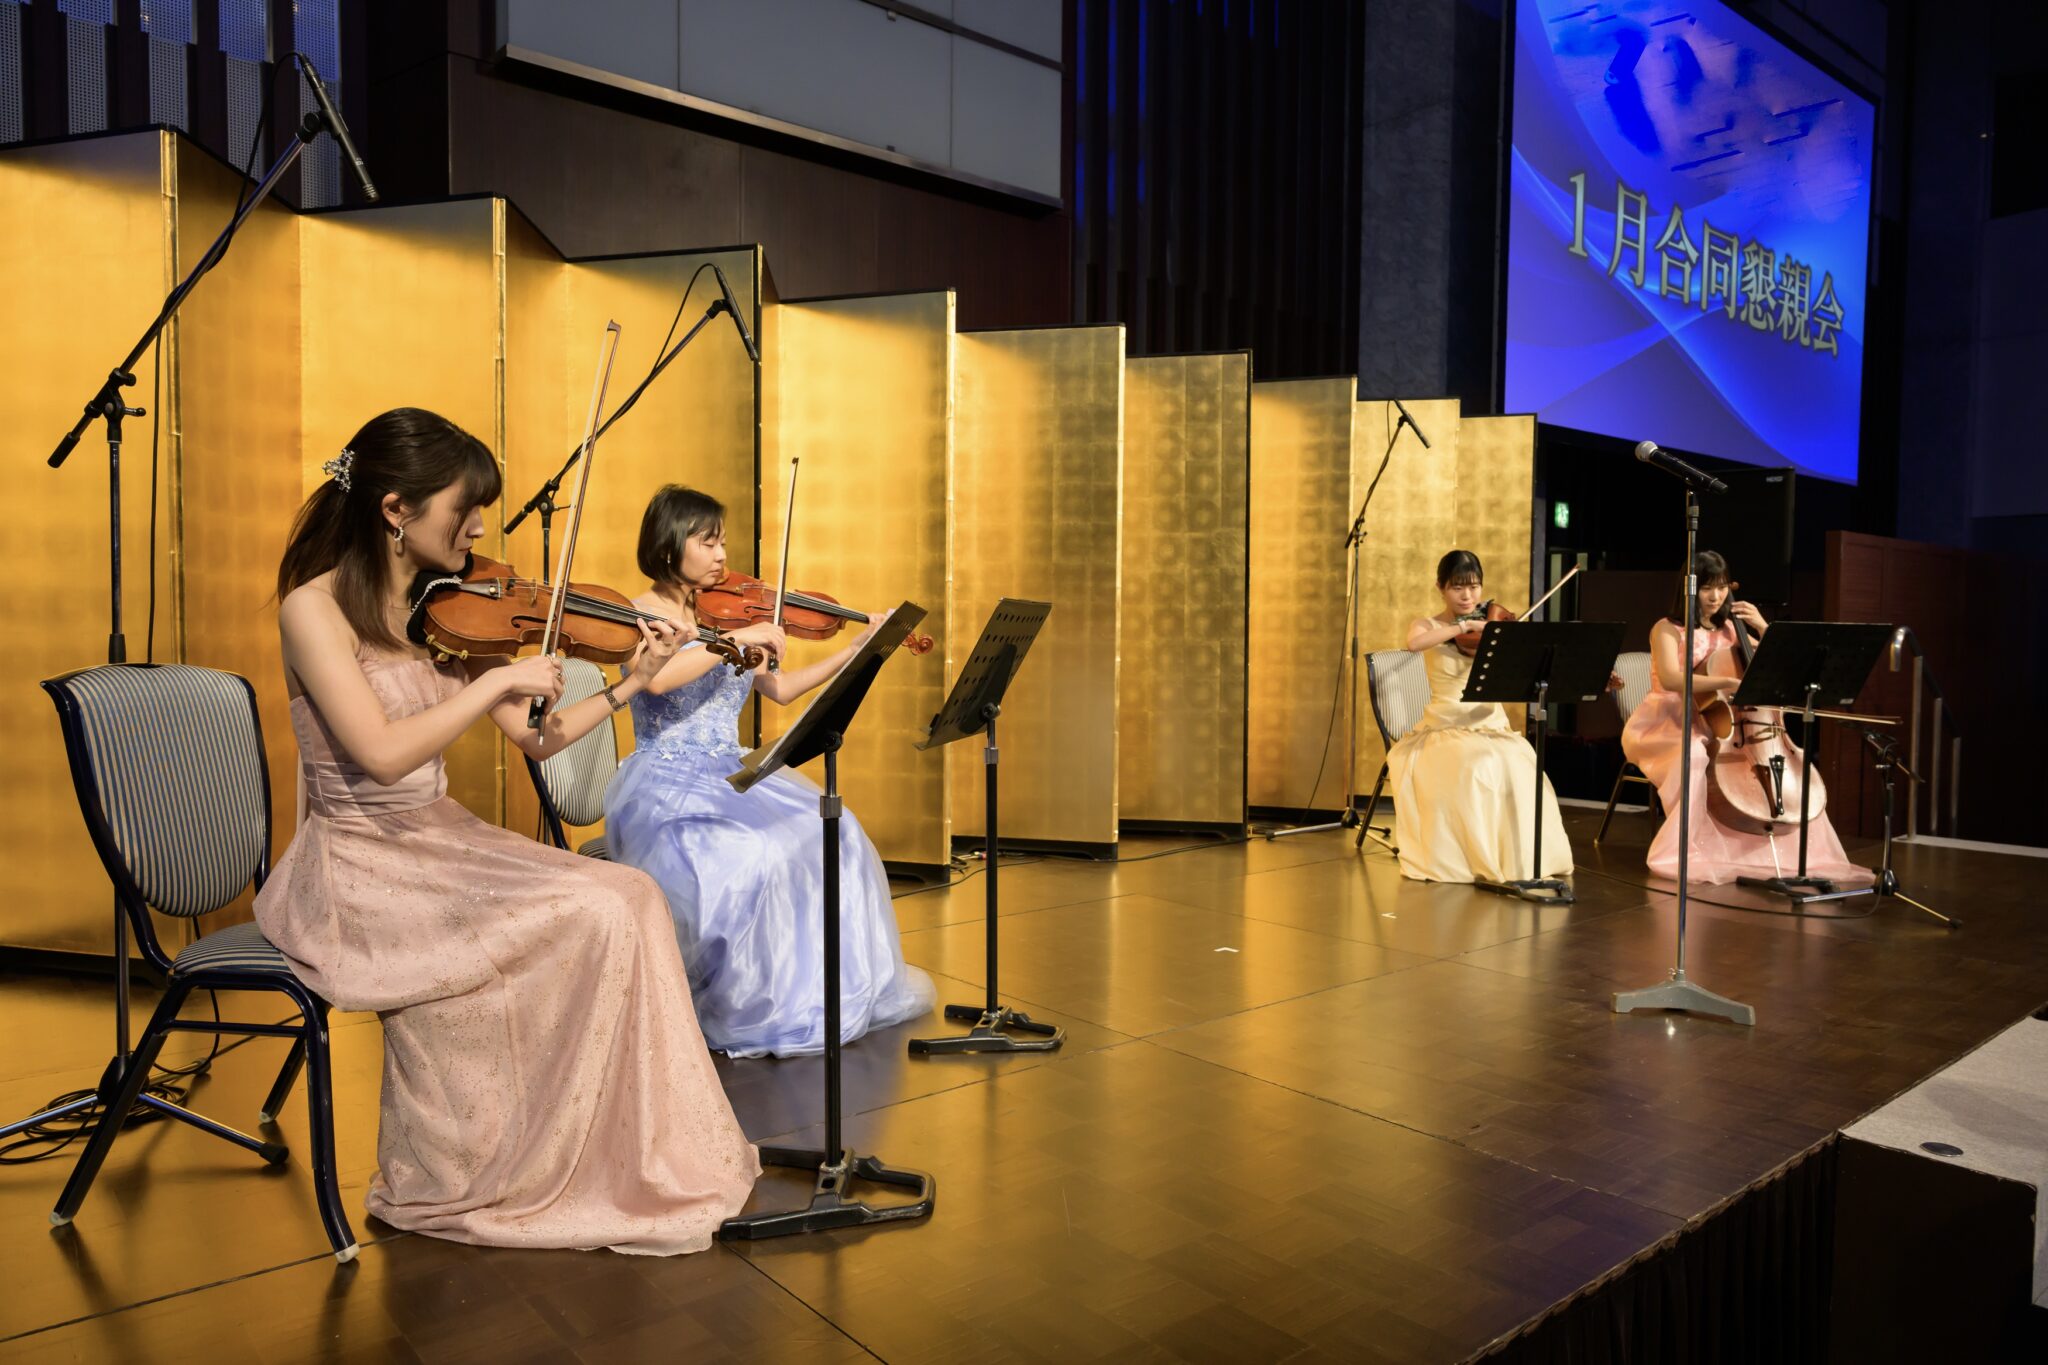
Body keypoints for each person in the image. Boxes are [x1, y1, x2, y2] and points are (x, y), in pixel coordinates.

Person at [255, 408, 758, 1255]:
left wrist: (630, 681)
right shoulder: (314, 611)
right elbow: (380, 753)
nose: (483, 527)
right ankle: (490, 1163)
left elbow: (541, 738)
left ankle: (608, 1151)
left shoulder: (446, 605)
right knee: (588, 911)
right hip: (361, 865)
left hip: (441, 838)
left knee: (630, 894)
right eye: (467, 507)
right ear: (395, 510)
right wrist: (492, 684)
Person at [603, 485, 934, 1058]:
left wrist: (855, 650)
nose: (721, 556)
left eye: (722, 543)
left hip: (731, 772)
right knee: (748, 856)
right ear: (669, 543)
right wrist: (733, 639)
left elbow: (778, 689)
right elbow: (654, 680)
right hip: (665, 782)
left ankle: (808, 996)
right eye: (707, 542)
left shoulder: (724, 612)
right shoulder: (637, 614)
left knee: (837, 833)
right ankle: (741, 1003)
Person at [1621, 550, 1863, 885]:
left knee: (1764, 768)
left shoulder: (1730, 630)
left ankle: (1763, 853)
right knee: (1693, 758)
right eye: (1707, 588)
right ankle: (1686, 851)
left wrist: (1762, 626)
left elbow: (1775, 660)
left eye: (1722, 587)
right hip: (1669, 721)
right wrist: (1726, 681)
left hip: (1722, 723)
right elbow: (1672, 679)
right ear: (1689, 588)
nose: (1716, 596)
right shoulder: (1667, 628)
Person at [1384, 549, 1573, 884]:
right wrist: (1465, 625)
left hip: (1491, 725)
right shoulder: (1427, 625)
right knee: (1476, 768)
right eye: (1457, 587)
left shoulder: (1494, 627)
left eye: (1473, 587)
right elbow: (1415, 644)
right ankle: (1475, 858)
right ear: (1441, 587)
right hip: (1446, 726)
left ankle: (1519, 860)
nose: (1467, 595)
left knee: (1521, 765)